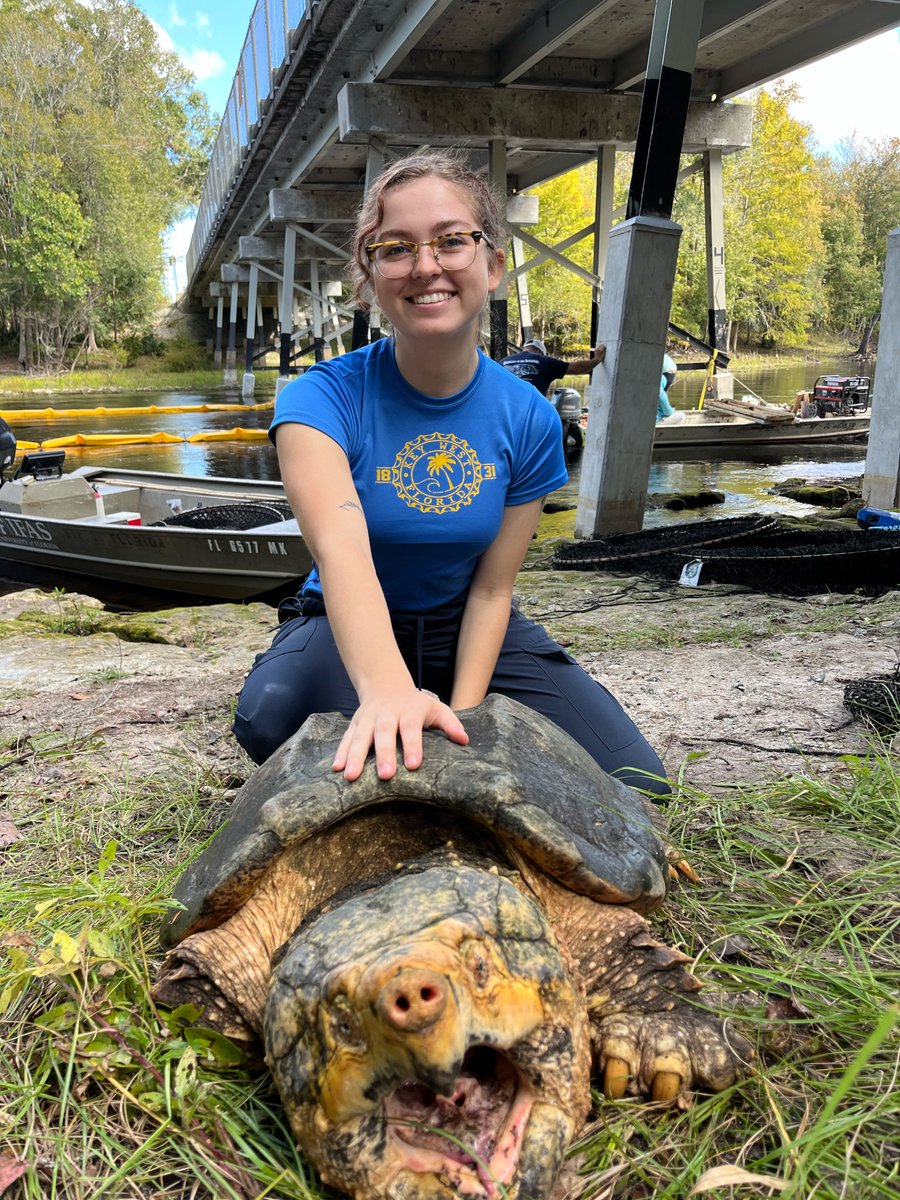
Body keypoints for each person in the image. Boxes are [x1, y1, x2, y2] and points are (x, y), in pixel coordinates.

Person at [232, 150, 668, 800]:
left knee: (637, 781)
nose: (426, 265)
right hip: (341, 618)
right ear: (368, 277)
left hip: (463, 621)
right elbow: (342, 551)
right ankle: (385, 694)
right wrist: (386, 691)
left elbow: (493, 592)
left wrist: (467, 724)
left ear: (491, 264)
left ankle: (435, 703)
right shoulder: (318, 400)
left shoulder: (530, 419)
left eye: (451, 240)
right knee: (270, 715)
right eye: (395, 248)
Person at [500, 338, 606, 398]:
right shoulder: (544, 361)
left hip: (505, 414)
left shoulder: (503, 362)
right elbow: (576, 368)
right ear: (541, 353)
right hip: (533, 413)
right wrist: (596, 359)